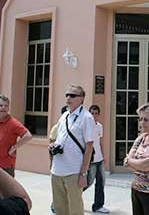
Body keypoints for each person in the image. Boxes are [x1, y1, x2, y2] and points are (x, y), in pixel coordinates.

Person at [49, 84, 95, 215]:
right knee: (59, 207)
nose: (68, 98)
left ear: (82, 99)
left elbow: (89, 146)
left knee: (75, 208)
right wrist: (53, 147)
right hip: (57, 170)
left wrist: (83, 174)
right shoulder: (64, 116)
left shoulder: (86, 117)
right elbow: (58, 138)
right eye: (67, 95)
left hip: (74, 171)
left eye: (73, 95)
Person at [0, 94, 32, 193]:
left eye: (6, 106)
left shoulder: (13, 123)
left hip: (5, 166)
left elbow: (28, 136)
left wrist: (14, 147)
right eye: (0, 105)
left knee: (4, 194)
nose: (3, 108)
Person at [84, 104, 109, 213]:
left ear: (99, 115)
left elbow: (100, 142)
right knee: (88, 182)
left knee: (101, 182)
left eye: (96, 113)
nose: (94, 115)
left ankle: (98, 206)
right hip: (91, 160)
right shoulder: (85, 127)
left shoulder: (99, 126)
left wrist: (103, 156)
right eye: (92, 113)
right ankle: (68, 197)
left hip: (100, 159)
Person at [48, 105, 68, 214]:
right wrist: (51, 162)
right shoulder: (57, 127)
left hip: (70, 164)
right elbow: (50, 147)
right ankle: (55, 206)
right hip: (59, 163)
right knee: (59, 189)